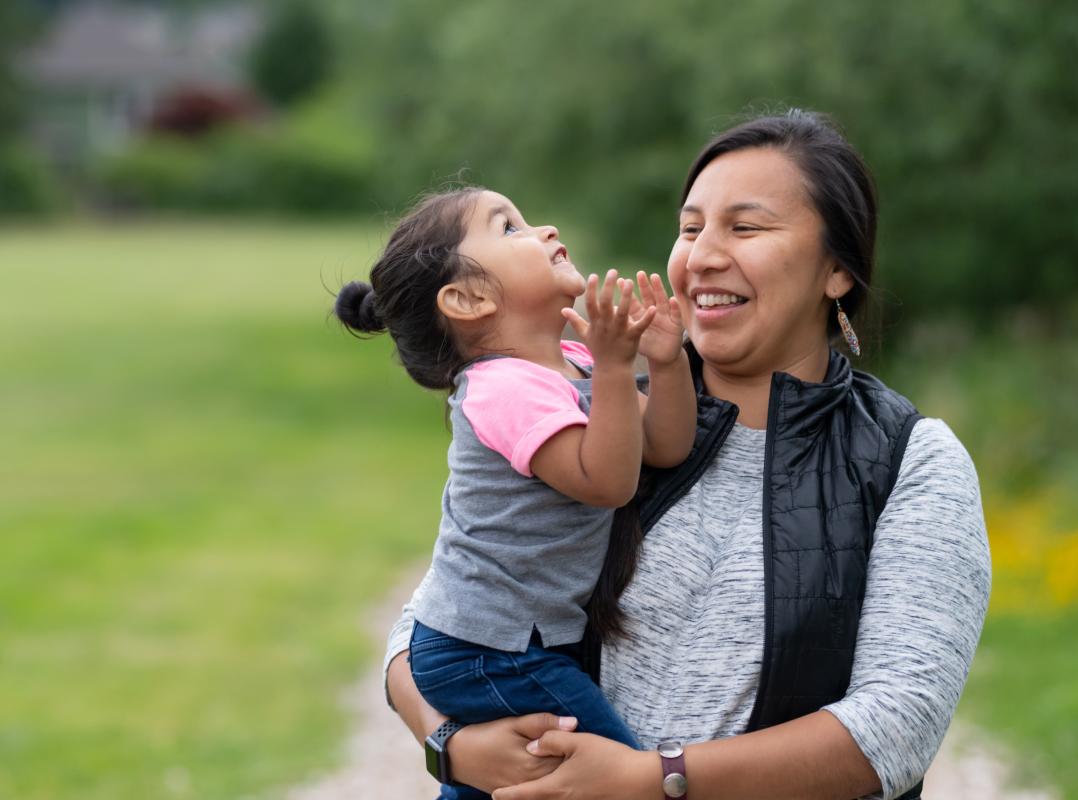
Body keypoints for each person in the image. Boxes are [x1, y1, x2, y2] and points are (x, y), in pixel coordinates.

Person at [386, 110, 991, 800]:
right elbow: (435, 617)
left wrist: (655, 779)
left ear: (836, 270)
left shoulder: (910, 460)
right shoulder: (599, 405)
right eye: (691, 227)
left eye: (747, 227)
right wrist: (452, 748)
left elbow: (897, 726)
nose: (702, 254)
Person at [334, 188, 697, 799]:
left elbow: (664, 446)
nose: (544, 228)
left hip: (514, 643)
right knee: (610, 773)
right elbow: (608, 482)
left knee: (508, 785)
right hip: (487, 650)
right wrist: (615, 368)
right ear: (469, 298)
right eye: (508, 228)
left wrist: (664, 364)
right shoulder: (501, 388)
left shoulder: (575, 363)